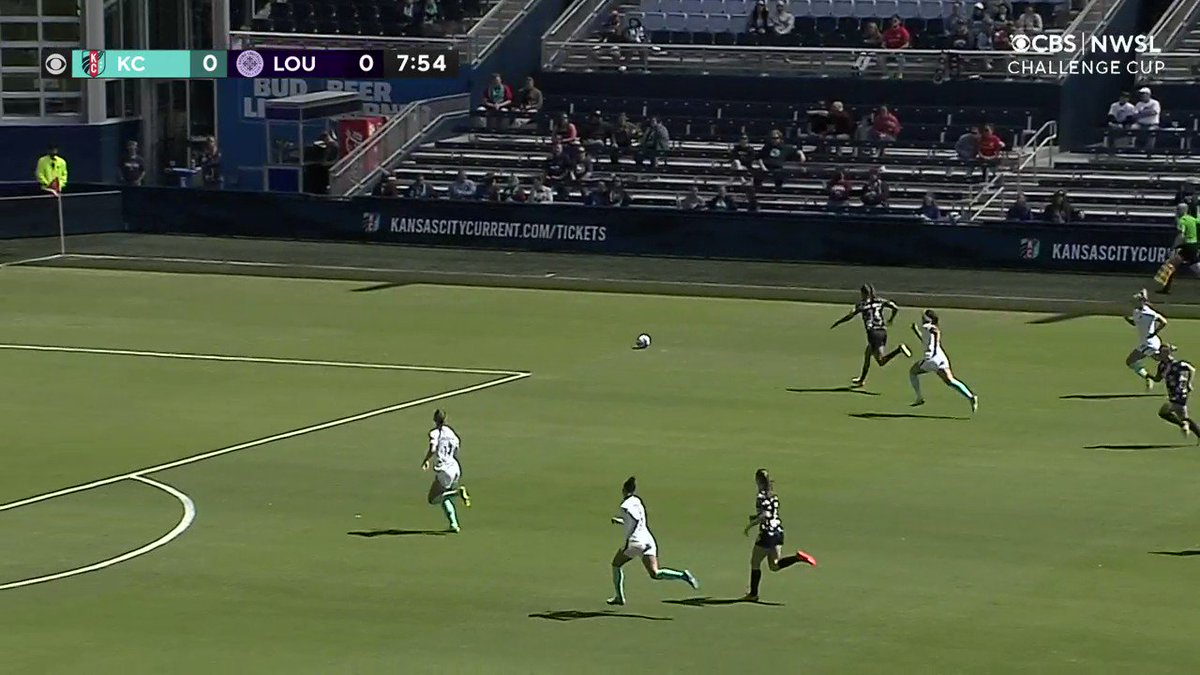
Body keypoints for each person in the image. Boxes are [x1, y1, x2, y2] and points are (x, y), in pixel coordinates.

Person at [607, 476, 699, 605]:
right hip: (648, 539)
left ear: (623, 490)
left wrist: (630, 527)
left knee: (616, 564)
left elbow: (634, 519)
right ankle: (683, 575)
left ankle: (619, 597)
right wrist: (620, 521)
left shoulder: (624, 506)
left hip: (635, 542)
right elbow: (636, 520)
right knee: (655, 573)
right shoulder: (637, 501)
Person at [742, 469, 817, 602]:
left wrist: (750, 525)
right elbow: (771, 512)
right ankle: (797, 558)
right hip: (778, 532)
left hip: (766, 534)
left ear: (758, 481)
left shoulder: (761, 497)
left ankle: (753, 594)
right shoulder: (773, 495)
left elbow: (765, 515)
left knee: (755, 562)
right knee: (774, 565)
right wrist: (755, 517)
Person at [830, 284, 911, 387]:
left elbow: (850, 315)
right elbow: (895, 307)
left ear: (863, 293)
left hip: (873, 333)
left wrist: (838, 322)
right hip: (882, 331)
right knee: (868, 353)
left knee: (881, 361)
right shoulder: (879, 301)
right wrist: (891, 319)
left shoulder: (861, 305)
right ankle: (861, 380)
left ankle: (899, 349)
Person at [909, 309, 979, 412]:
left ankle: (919, 397)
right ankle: (971, 397)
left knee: (913, 372)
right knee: (950, 380)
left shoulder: (927, 326)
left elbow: (935, 331)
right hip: (941, 357)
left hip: (931, 359)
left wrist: (936, 343)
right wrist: (916, 331)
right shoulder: (927, 328)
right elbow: (926, 339)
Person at [420, 409, 471, 533]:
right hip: (455, 467)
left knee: (433, 499)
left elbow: (433, 448)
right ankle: (453, 524)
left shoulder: (434, 433)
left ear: (434, 419)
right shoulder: (450, 432)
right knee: (444, 497)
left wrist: (426, 460)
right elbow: (457, 446)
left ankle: (458, 493)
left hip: (444, 470)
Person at [1149, 344, 1200, 443]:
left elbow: (1192, 369)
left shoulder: (1178, 364)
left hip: (1180, 393)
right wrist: (1147, 376)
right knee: (1182, 417)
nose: (1162, 355)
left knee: (1166, 413)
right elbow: (1157, 379)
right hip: (1172, 393)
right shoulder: (1162, 366)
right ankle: (1188, 427)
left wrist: (1189, 383)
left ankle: (1184, 425)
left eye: (1164, 352)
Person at [1124, 289, 1166, 391]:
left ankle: (1151, 377)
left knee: (1130, 361)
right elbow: (1137, 323)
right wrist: (1129, 320)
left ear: (1141, 302)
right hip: (1145, 342)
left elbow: (1164, 321)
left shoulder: (1150, 313)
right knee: (1159, 359)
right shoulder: (1136, 311)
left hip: (1149, 343)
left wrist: (1154, 332)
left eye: (1135, 301)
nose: (1132, 303)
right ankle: (1168, 354)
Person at [1156, 203, 1200, 294]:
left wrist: (1173, 247)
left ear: (1181, 210)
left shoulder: (1182, 220)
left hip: (1187, 246)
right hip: (1193, 246)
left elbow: (1181, 235)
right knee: (1194, 266)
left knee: (1171, 265)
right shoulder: (1192, 219)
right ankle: (1166, 288)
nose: (1176, 211)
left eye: (1178, 209)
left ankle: (1166, 288)